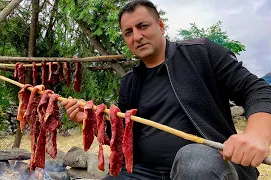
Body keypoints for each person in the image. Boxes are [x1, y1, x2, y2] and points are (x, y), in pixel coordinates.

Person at [61, 0, 271, 179]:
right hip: (143, 171)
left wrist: (256, 135)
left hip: (209, 165)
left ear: (160, 25)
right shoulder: (130, 82)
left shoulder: (200, 54)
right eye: (128, 32)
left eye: (143, 26)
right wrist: (91, 121)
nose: (137, 36)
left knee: (194, 161)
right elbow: (122, 136)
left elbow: (257, 89)